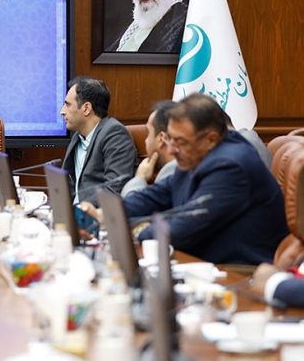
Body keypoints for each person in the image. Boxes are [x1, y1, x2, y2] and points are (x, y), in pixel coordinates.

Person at [99, 93, 288, 265]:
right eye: (171, 139)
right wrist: (108, 212)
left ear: (211, 139)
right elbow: (157, 195)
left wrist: (135, 229)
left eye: (179, 141)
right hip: (204, 264)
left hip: (240, 272)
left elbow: (184, 228)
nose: (170, 149)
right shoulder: (195, 153)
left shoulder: (231, 166)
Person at [61, 77, 136, 205]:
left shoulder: (114, 134)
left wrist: (79, 209)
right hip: (71, 211)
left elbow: (114, 189)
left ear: (86, 108)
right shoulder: (77, 137)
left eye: (68, 105)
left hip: (95, 213)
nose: (62, 111)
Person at [121, 101, 177, 197]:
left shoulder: (173, 171)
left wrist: (140, 177)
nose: (146, 141)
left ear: (161, 139)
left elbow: (134, 204)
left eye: (148, 133)